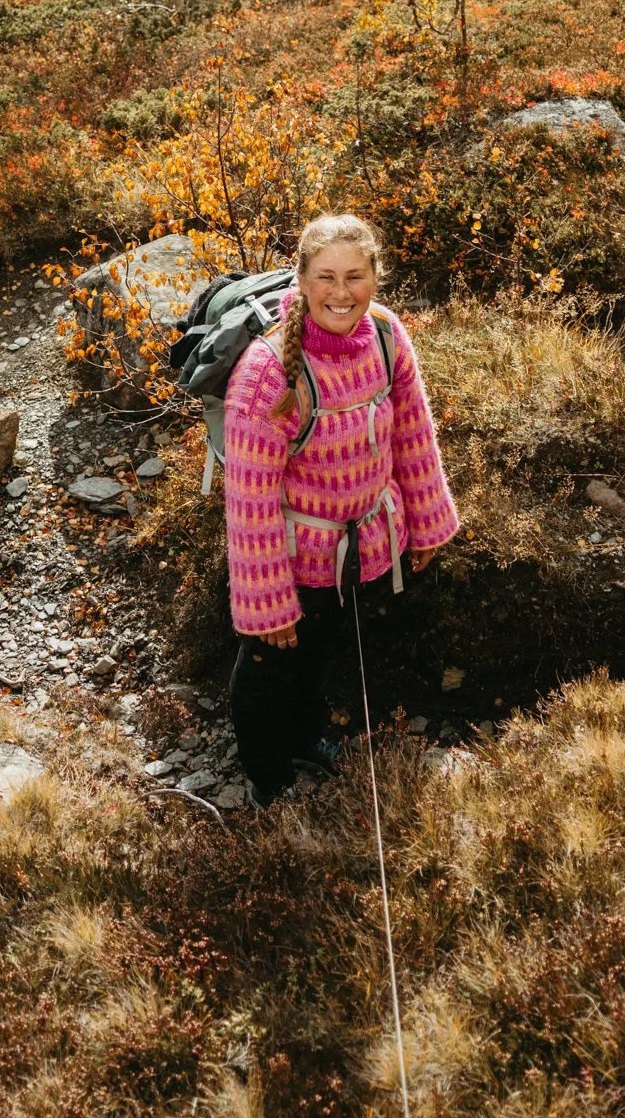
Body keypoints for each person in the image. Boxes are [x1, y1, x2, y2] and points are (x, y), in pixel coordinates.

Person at [224, 213, 460, 806]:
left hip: (359, 548)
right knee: (266, 666)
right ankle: (269, 781)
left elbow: (412, 432)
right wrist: (268, 606)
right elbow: (249, 500)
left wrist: (428, 521)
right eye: (325, 276)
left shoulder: (386, 334)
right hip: (289, 557)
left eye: (355, 275)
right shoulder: (267, 373)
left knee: (321, 649)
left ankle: (305, 737)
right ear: (301, 280)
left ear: (375, 275)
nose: (341, 291)